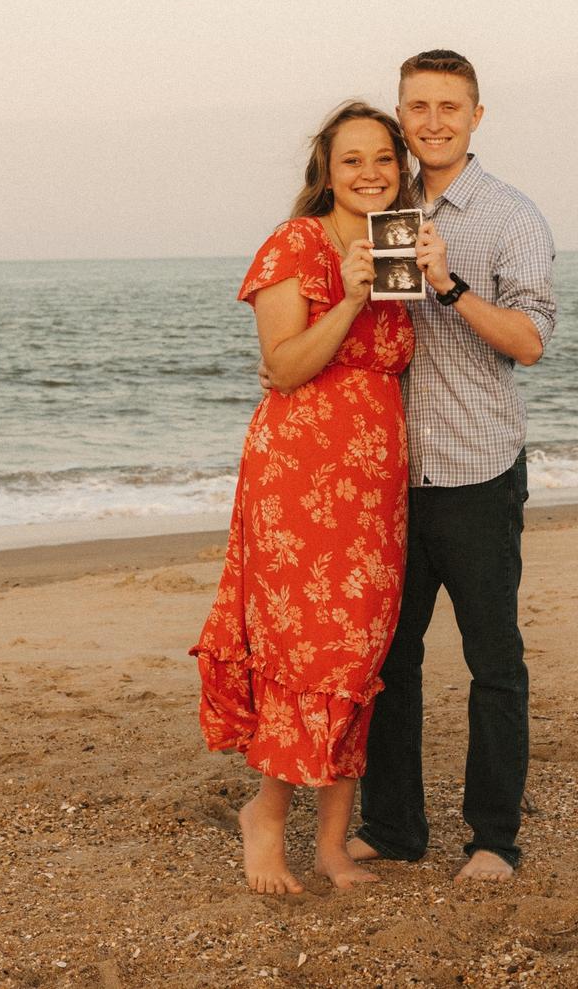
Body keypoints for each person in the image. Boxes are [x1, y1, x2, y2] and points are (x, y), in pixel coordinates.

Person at [190, 100, 417, 896]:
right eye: (353, 159)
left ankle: (331, 844)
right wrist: (352, 299)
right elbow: (284, 367)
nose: (370, 173)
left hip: (374, 484)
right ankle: (265, 816)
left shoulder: (400, 242)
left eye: (384, 158)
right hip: (300, 477)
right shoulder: (297, 243)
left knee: (359, 652)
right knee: (304, 650)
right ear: (326, 168)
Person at [349, 49, 557, 881]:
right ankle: (396, 827)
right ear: (401, 115)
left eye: (448, 106)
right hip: (390, 478)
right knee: (389, 664)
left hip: (477, 470)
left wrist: (449, 283)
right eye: (417, 107)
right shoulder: (376, 203)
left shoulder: (510, 216)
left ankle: (493, 838)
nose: (431, 121)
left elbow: (531, 343)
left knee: (492, 662)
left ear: (477, 115)